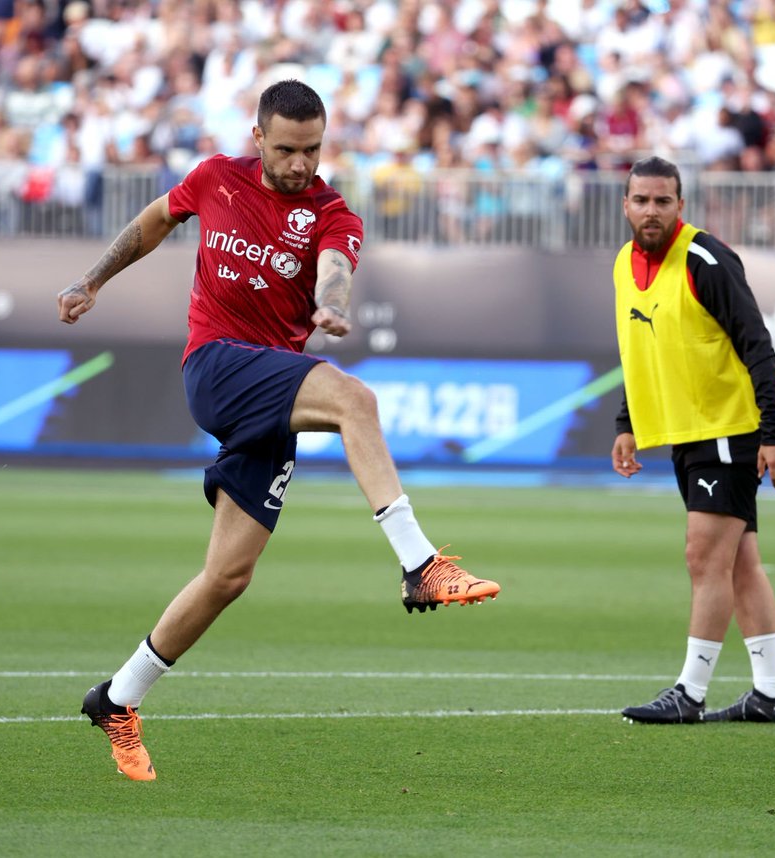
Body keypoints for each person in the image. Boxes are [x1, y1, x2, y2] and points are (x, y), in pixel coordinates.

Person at [57, 80, 501, 781]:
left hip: (268, 390)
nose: (302, 163)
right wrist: (91, 280)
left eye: (313, 149)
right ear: (258, 137)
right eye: (289, 149)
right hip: (215, 364)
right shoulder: (215, 178)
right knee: (354, 400)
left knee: (228, 576)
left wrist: (331, 305)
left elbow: (335, 268)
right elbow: (154, 221)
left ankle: (117, 697)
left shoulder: (332, 213)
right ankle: (420, 565)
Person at [612, 156, 775, 725]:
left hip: (726, 431)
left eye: (662, 201)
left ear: (680, 205)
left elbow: (758, 345)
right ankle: (771, 694)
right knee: (740, 563)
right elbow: (639, 350)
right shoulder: (623, 263)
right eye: (641, 200)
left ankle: (690, 693)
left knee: (704, 557)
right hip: (686, 433)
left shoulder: (706, 259)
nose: (651, 211)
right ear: (625, 205)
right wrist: (627, 422)